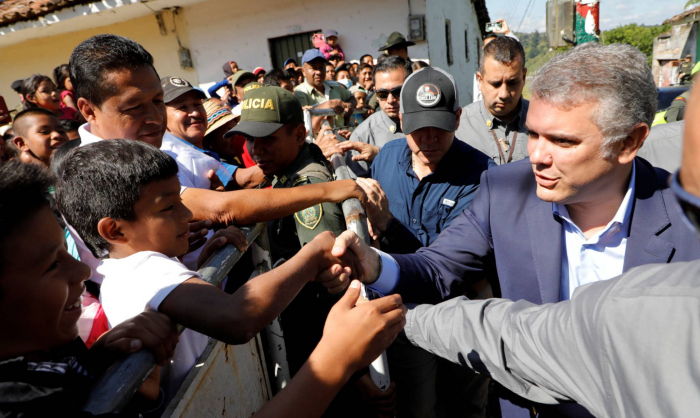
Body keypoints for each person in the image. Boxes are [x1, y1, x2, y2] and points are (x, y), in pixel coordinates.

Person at [319, 43, 700, 418]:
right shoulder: (505, 191)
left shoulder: (688, 226)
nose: (537, 156)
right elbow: (438, 268)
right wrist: (377, 265)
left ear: (629, 142)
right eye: (534, 134)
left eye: (562, 141)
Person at [54, 140, 408, 414]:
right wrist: (312, 255)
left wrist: (202, 274)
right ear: (115, 230)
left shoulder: (130, 270)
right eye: (168, 208)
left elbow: (191, 307)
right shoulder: (145, 268)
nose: (186, 213)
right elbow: (238, 318)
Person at [63, 34, 367, 285]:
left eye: (157, 102)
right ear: (89, 111)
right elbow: (221, 208)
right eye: (133, 107)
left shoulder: (152, 142)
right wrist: (331, 189)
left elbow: (231, 183)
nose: (154, 118)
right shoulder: (101, 168)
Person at [224, 86, 376, 416]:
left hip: (320, 343)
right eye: (250, 139)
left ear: (298, 133)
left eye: (268, 138)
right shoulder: (283, 175)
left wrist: (358, 369)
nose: (256, 149)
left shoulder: (306, 184)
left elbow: (332, 278)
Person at [356, 67, 495, 418]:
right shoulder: (386, 158)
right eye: (419, 128)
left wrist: (386, 224)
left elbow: (443, 263)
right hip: (402, 312)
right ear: (401, 120)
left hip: (460, 311)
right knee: (415, 406)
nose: (429, 138)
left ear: (458, 119)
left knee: (464, 406)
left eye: (440, 127)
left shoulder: (481, 176)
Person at [0, 160, 180, 417]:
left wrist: (102, 363)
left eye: (66, 250)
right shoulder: (22, 407)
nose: (82, 271)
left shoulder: (53, 340)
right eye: (52, 265)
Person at [457, 35, 529, 165]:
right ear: (480, 79)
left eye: (512, 83)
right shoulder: (458, 127)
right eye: (495, 84)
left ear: (524, 77)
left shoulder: (543, 122)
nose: (503, 94)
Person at [294, 49, 357, 129]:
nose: (319, 72)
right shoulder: (299, 92)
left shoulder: (335, 86)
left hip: (342, 138)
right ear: (303, 71)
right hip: (317, 141)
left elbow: (352, 98)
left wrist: (350, 105)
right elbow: (308, 127)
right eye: (313, 68)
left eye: (321, 67)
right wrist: (327, 105)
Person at [473, 19, 519, 102]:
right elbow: (476, 96)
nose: (503, 94)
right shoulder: (480, 70)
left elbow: (517, 53)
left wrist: (508, 32)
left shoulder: (506, 65)